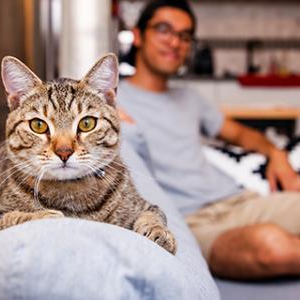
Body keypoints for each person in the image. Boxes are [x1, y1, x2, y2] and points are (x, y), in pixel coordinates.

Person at [117, 0, 300, 280]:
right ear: (139, 35)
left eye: (184, 35)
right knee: (272, 248)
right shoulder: (112, 102)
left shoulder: (191, 99)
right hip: (191, 223)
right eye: (164, 30)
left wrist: (277, 155)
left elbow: (240, 134)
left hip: (241, 202)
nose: (175, 42)